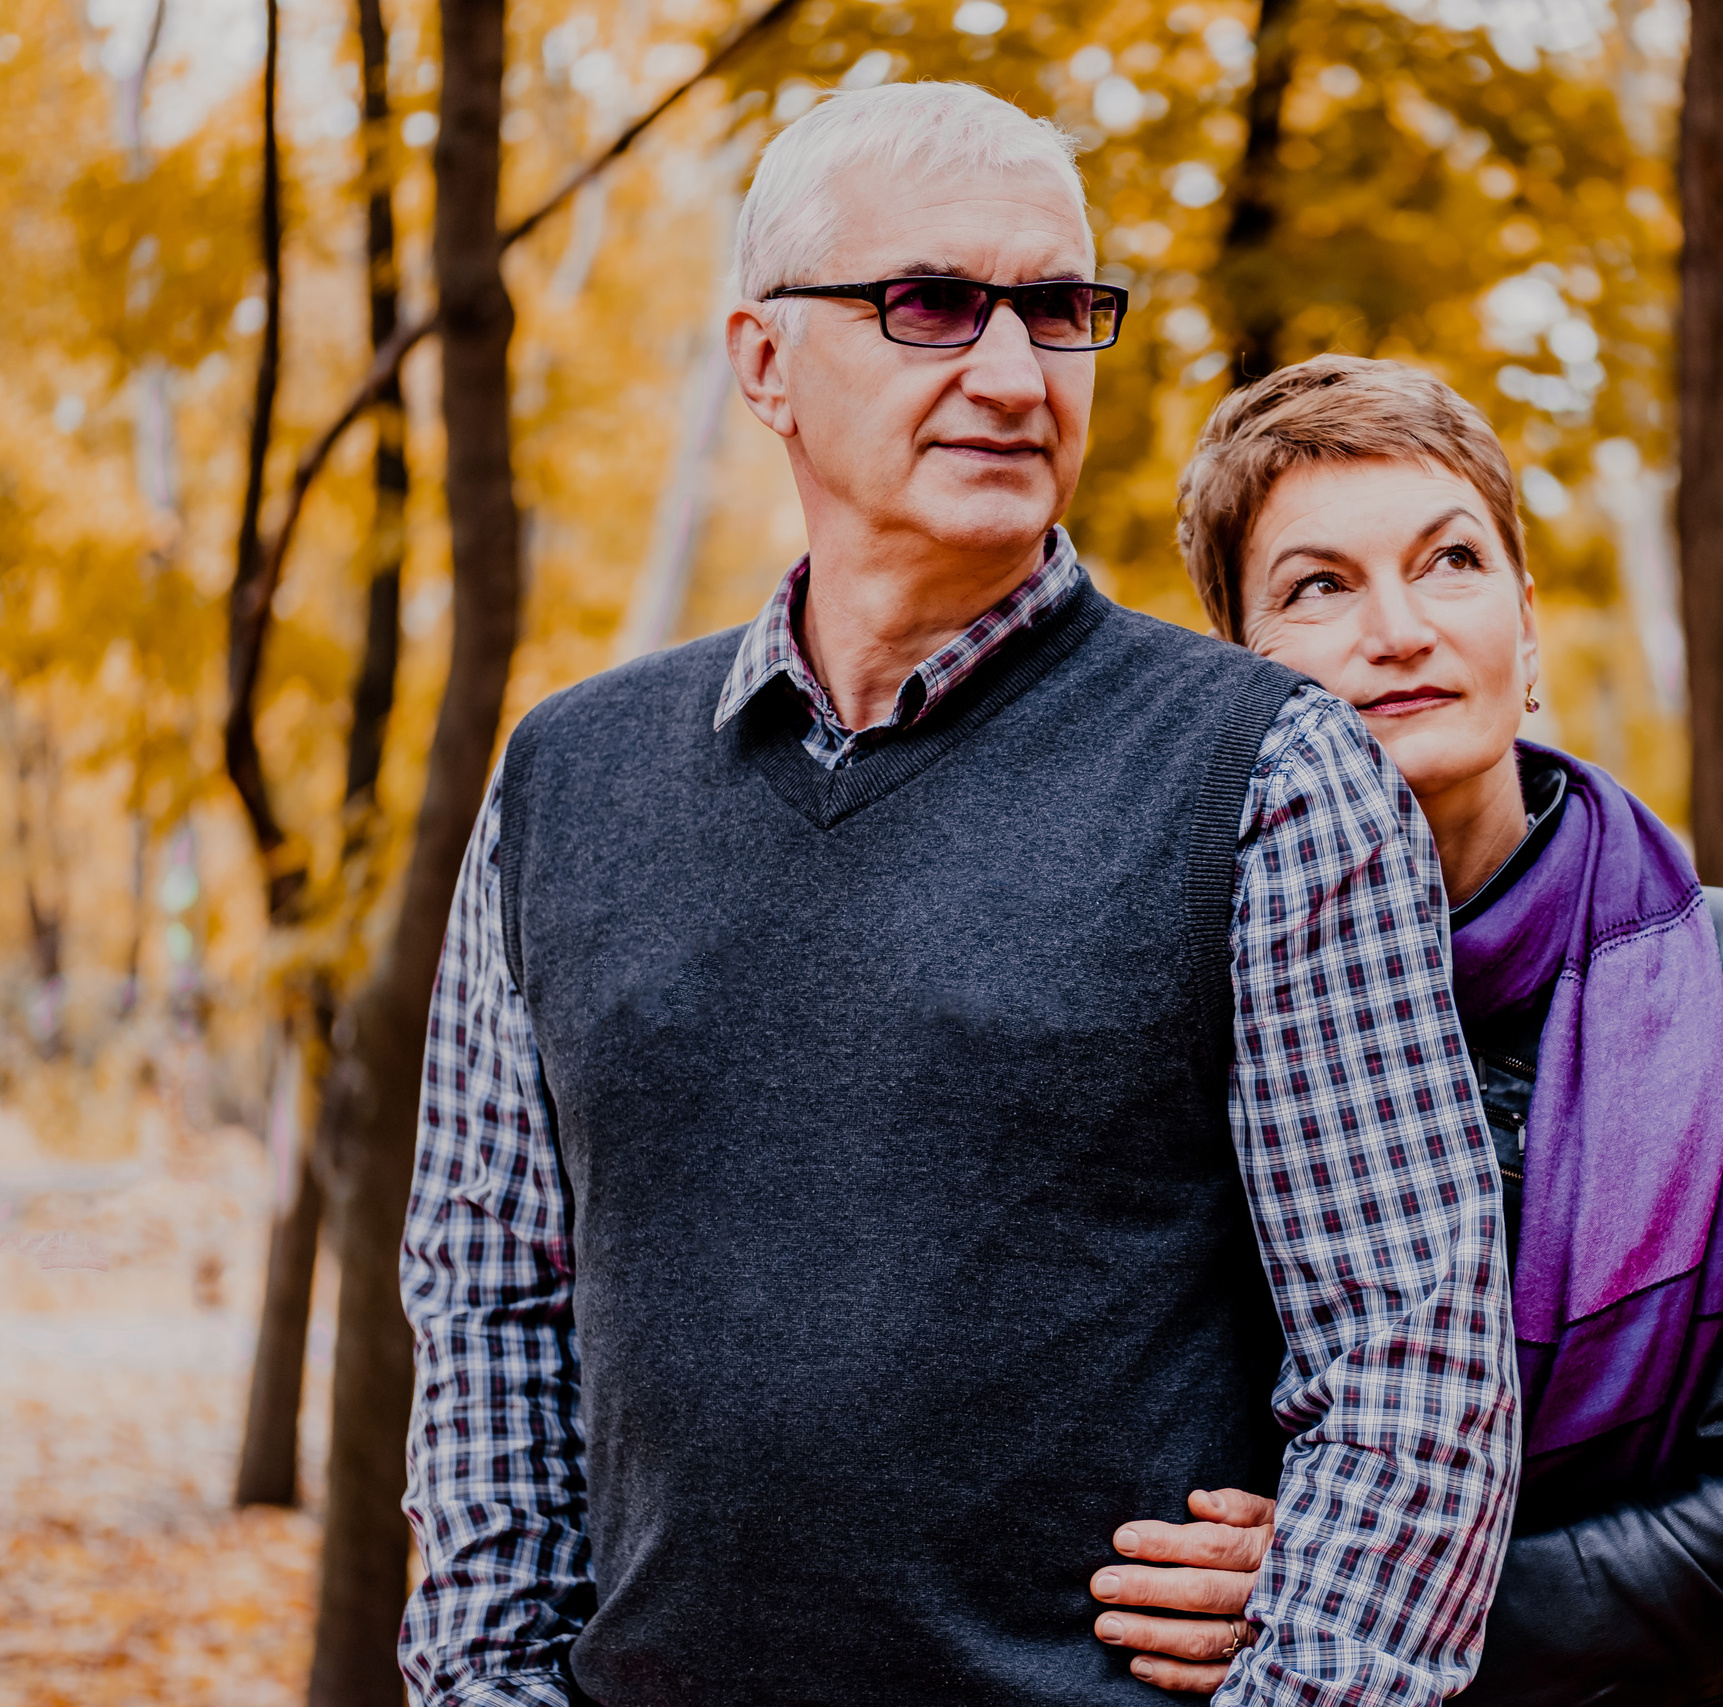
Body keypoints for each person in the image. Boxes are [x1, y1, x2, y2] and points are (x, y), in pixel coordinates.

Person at [398, 91, 1520, 1707]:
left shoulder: (1266, 773)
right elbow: (490, 1307)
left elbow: (1412, 1357)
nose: (1011, 373)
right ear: (765, 361)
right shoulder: (568, 782)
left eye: (1060, 312)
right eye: (928, 305)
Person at [1085, 356, 1723, 1704]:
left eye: (1448, 562)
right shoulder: (1158, 998)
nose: (1397, 629)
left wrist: (1363, 1593)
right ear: (1237, 673)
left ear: (1526, 626)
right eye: (1318, 586)